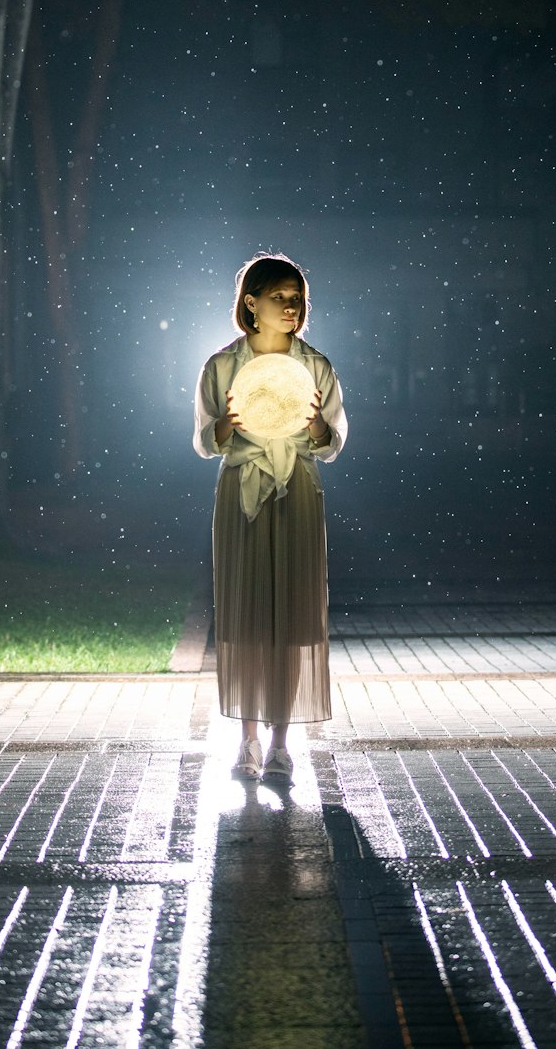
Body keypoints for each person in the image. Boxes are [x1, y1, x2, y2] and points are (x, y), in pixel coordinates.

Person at [193, 252, 347, 784]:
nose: (290, 307)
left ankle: (283, 741)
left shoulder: (315, 366)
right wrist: (226, 425)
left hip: (297, 488)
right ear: (250, 303)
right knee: (247, 615)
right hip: (243, 489)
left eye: (297, 298)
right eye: (278, 297)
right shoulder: (222, 366)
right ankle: (247, 740)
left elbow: (333, 439)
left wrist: (318, 429)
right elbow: (202, 440)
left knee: (293, 615)